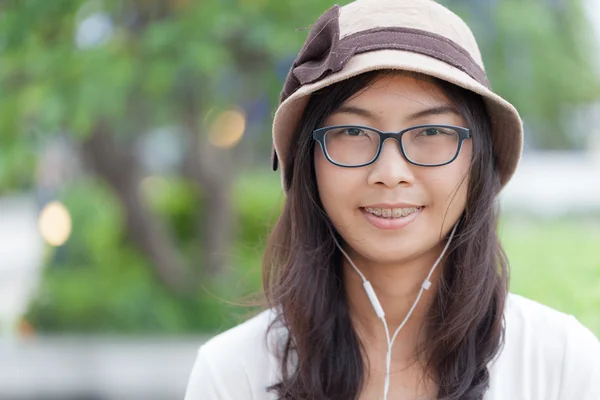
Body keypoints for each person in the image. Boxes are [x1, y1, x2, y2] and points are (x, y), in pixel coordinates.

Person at [184, 0, 600, 399]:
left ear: (479, 160)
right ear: (308, 163)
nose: (390, 174)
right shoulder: (233, 373)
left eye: (432, 132)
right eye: (351, 133)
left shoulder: (561, 362)